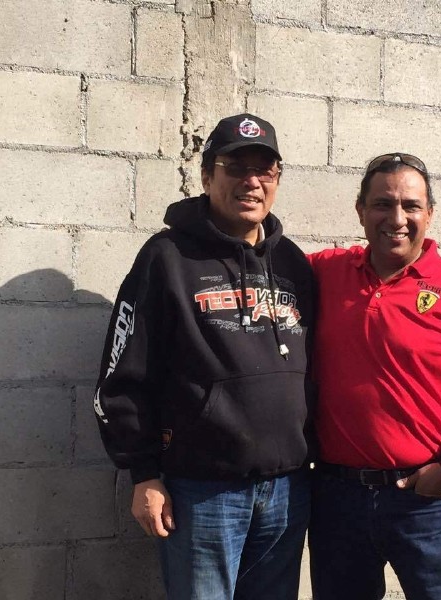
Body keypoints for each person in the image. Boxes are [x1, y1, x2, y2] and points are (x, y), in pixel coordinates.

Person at [93, 114, 314, 600]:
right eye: (235, 167)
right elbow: (124, 373)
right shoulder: (166, 257)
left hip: (287, 489)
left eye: (265, 170)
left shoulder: (293, 263)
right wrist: (143, 473)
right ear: (207, 176)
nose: (251, 181)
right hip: (202, 491)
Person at [307, 153, 441, 600]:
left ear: (429, 214)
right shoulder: (324, 272)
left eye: (410, 206)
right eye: (382, 204)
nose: (396, 218)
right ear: (361, 211)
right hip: (337, 500)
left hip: (425, 503)